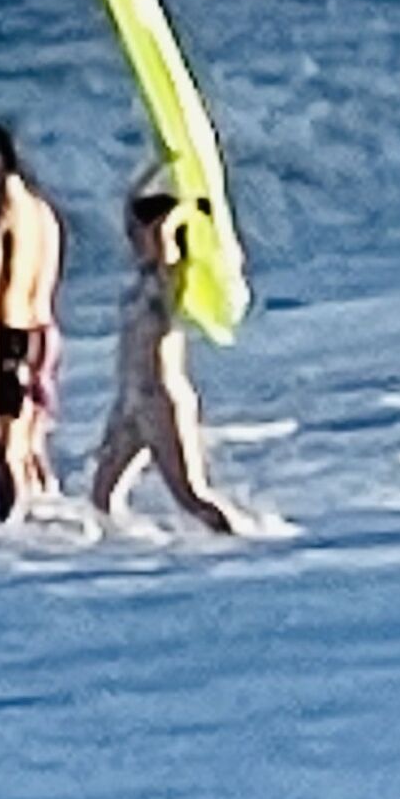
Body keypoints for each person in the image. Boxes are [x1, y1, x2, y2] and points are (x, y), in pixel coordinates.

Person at [92, 186, 254, 537]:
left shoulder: (172, 276)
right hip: (131, 399)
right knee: (101, 497)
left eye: (143, 232)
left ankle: (238, 541)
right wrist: (162, 161)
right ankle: (124, 555)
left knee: (190, 495)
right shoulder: (141, 276)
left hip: (162, 399)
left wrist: (187, 208)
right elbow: (129, 207)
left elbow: (164, 233)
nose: (135, 238)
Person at [0, 120, 65, 517]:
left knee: (0, 445)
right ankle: (48, 520)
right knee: (30, 444)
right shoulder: (43, 211)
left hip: (9, 334)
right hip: (45, 331)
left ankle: (11, 533)